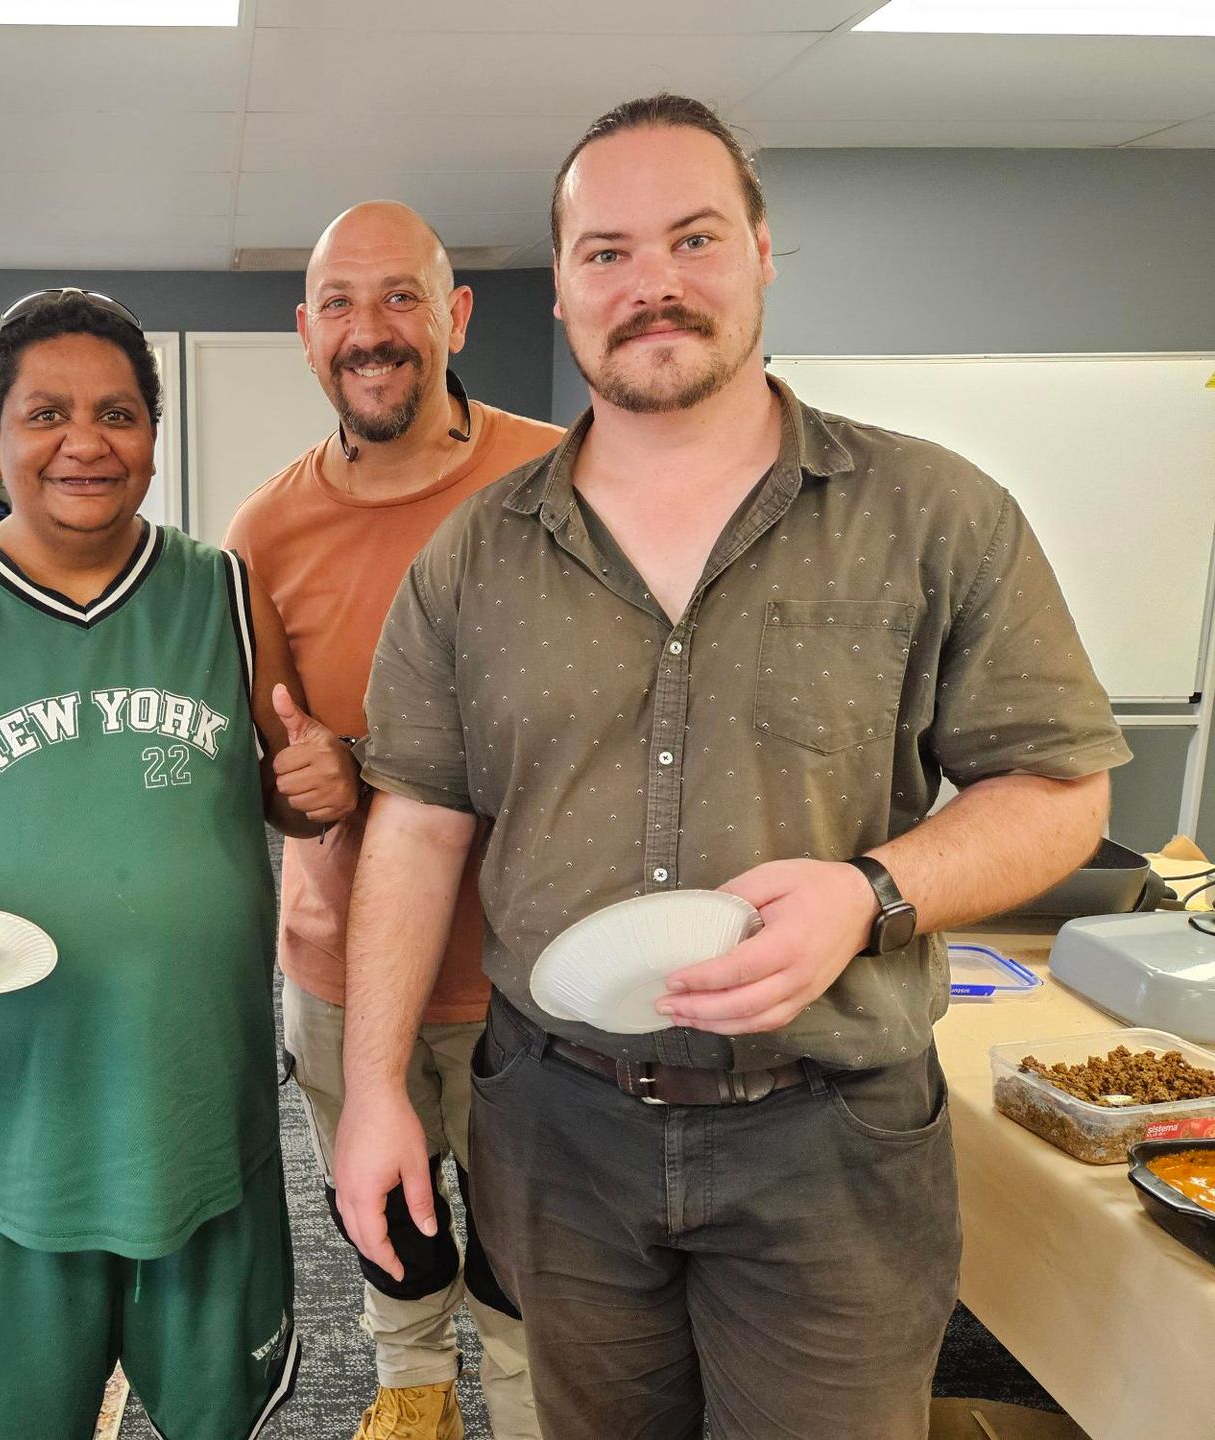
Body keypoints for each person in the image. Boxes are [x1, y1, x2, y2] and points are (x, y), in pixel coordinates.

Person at [331, 95, 1131, 1440]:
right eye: (606, 253)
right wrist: (369, 1093)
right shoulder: (471, 561)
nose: (652, 284)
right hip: (559, 1132)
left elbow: (1060, 790)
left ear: (763, 253)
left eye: (693, 238)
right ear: (566, 288)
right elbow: (415, 832)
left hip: (833, 1137)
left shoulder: (933, 516)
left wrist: (874, 891)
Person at [0, 288, 359, 1440]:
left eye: (118, 413)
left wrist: (324, 790)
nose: (85, 443)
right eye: (46, 413)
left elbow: (283, 786)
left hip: (201, 1118)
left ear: (154, 432)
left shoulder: (226, 593)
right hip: (14, 1136)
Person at [224, 201, 557, 1440]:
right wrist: (289, 783)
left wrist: (381, 762)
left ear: (455, 314)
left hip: (528, 974)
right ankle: (408, 1390)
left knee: (530, 1253)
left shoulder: (558, 480)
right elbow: (270, 763)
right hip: (339, 967)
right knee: (388, 1220)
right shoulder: (261, 531)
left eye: (401, 297)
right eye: (341, 305)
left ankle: (526, 1408)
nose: (372, 332)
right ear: (306, 332)